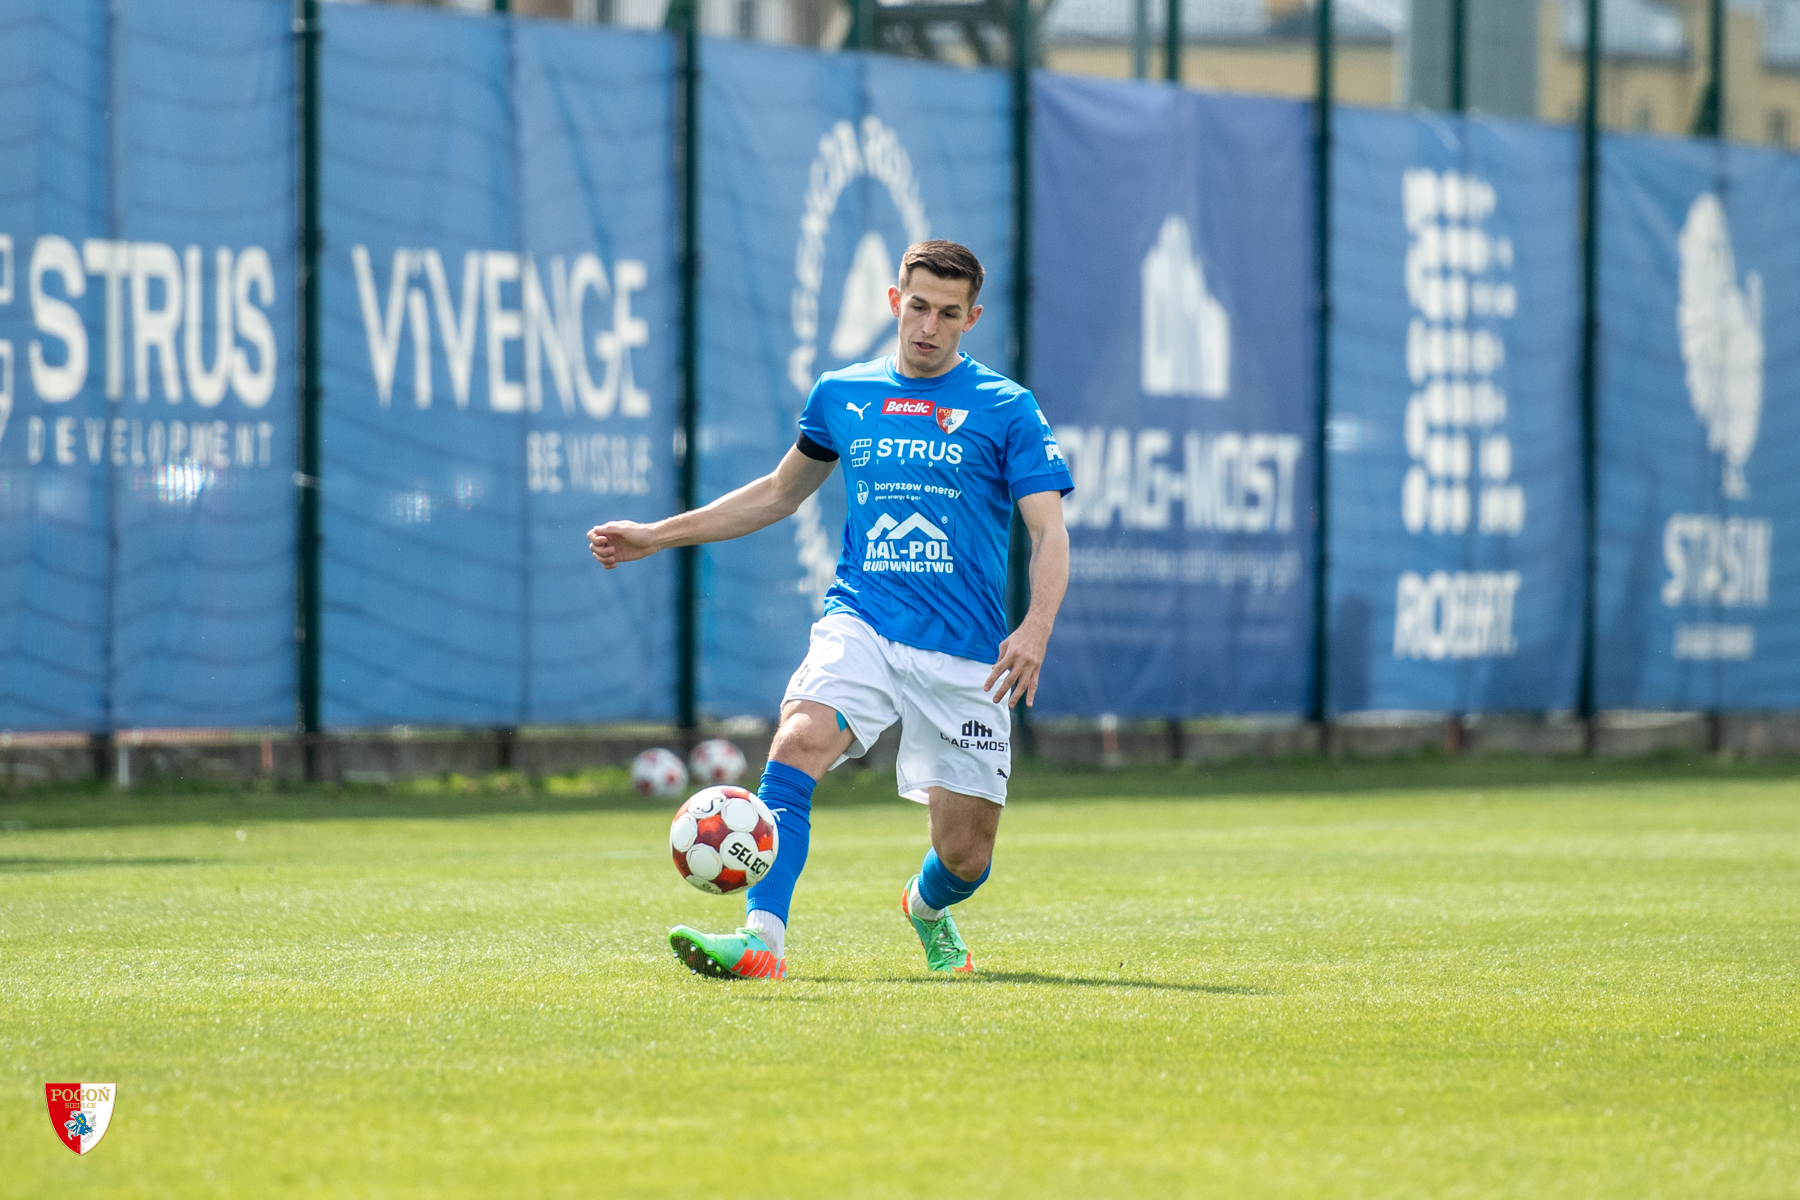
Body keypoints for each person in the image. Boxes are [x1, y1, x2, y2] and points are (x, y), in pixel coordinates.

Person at [588, 240, 1073, 980]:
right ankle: (762, 943)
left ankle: (925, 905)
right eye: (918, 307)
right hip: (863, 621)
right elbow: (778, 494)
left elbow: (1049, 531)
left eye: (949, 314)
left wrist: (1034, 628)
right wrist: (656, 535)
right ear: (894, 301)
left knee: (965, 858)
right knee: (798, 740)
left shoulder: (1007, 407)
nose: (929, 327)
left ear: (972, 318)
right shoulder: (842, 394)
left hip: (966, 650)